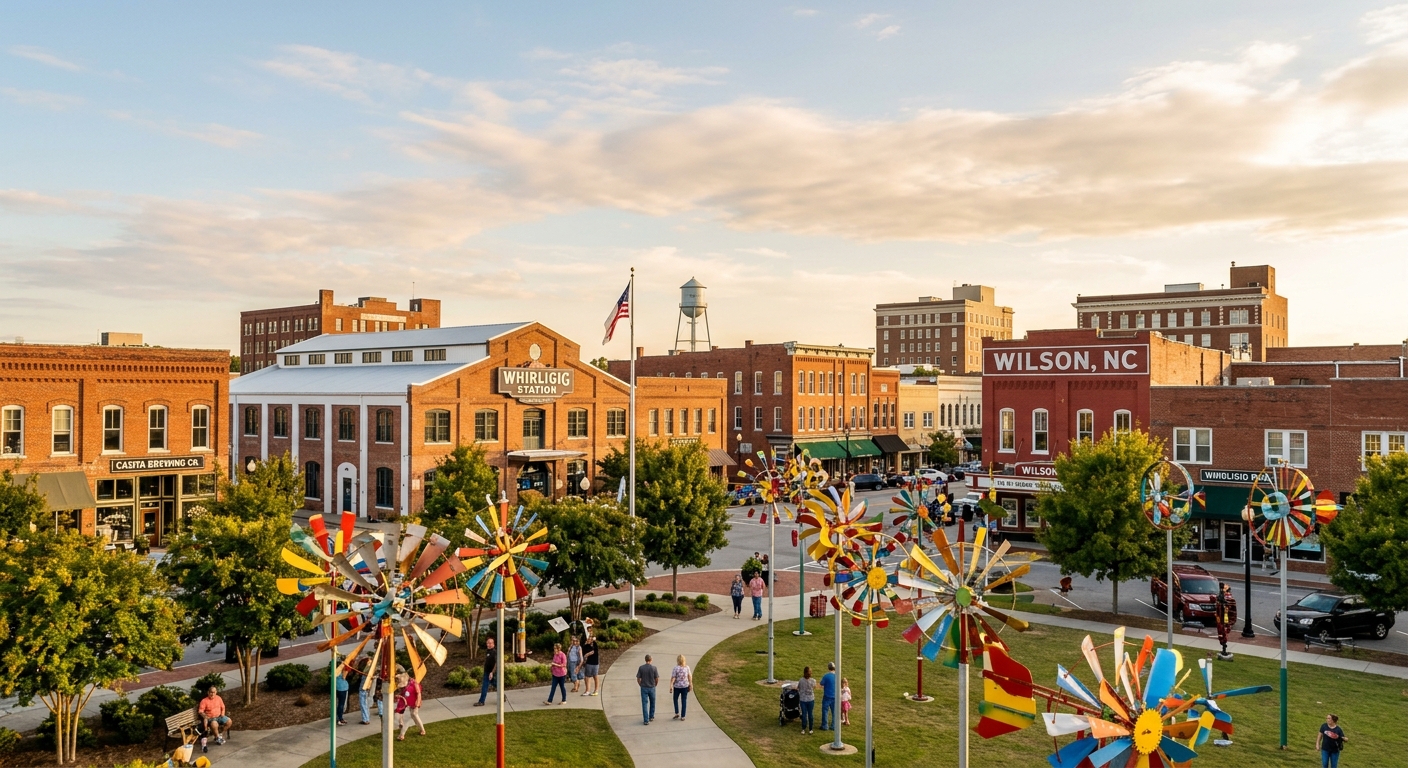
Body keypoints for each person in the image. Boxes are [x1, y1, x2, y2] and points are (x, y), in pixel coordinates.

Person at [397, 671, 425, 739]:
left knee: (410, 717)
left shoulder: (414, 684)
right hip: (408, 702)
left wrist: (417, 703)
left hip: (414, 703)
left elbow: (419, 694)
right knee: (414, 716)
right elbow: (403, 693)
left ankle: (402, 734)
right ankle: (422, 730)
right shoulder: (406, 685)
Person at [346, 655, 370, 725]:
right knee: (365, 703)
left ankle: (365, 719)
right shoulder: (368, 671)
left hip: (363, 689)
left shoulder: (364, 673)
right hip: (366, 689)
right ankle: (366, 718)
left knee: (363, 703)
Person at [474, 637, 498, 707]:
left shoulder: (494, 652)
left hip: (491, 673)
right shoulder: (488, 651)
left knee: (485, 686)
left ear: (493, 644)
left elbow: (497, 663)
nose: (488, 644)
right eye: (487, 643)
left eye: (490, 643)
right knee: (495, 685)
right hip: (487, 672)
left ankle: (481, 701)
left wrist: (492, 672)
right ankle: (502, 696)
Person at [637, 654, 659, 725]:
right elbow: (656, 678)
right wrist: (655, 684)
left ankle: (646, 720)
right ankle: (651, 716)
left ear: (645, 660)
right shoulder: (654, 668)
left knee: (644, 704)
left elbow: (638, 678)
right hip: (652, 687)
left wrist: (640, 684)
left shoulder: (641, 668)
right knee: (652, 702)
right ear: (651, 660)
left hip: (644, 687)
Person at [670, 654, 693, 721]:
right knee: (684, 700)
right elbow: (689, 676)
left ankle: (677, 712)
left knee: (675, 699)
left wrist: (671, 685)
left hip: (677, 686)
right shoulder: (687, 668)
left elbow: (673, 677)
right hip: (685, 686)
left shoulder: (675, 668)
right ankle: (683, 716)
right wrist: (691, 684)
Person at [1215, 582, 1234, 658]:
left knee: (1223, 630)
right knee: (1222, 631)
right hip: (1221, 618)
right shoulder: (1220, 596)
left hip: (1223, 618)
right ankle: (1223, 646)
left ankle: (1224, 647)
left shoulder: (1222, 596)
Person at [796, 666, 816, 734]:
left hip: (803, 700)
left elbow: (798, 688)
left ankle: (803, 728)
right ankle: (810, 729)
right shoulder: (813, 680)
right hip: (810, 699)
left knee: (804, 714)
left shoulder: (801, 680)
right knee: (810, 714)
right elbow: (814, 687)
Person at [819, 662, 837, 731]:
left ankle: (825, 725)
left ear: (828, 668)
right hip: (835, 696)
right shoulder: (837, 676)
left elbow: (821, 683)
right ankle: (834, 725)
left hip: (827, 696)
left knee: (825, 711)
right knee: (834, 712)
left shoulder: (826, 676)